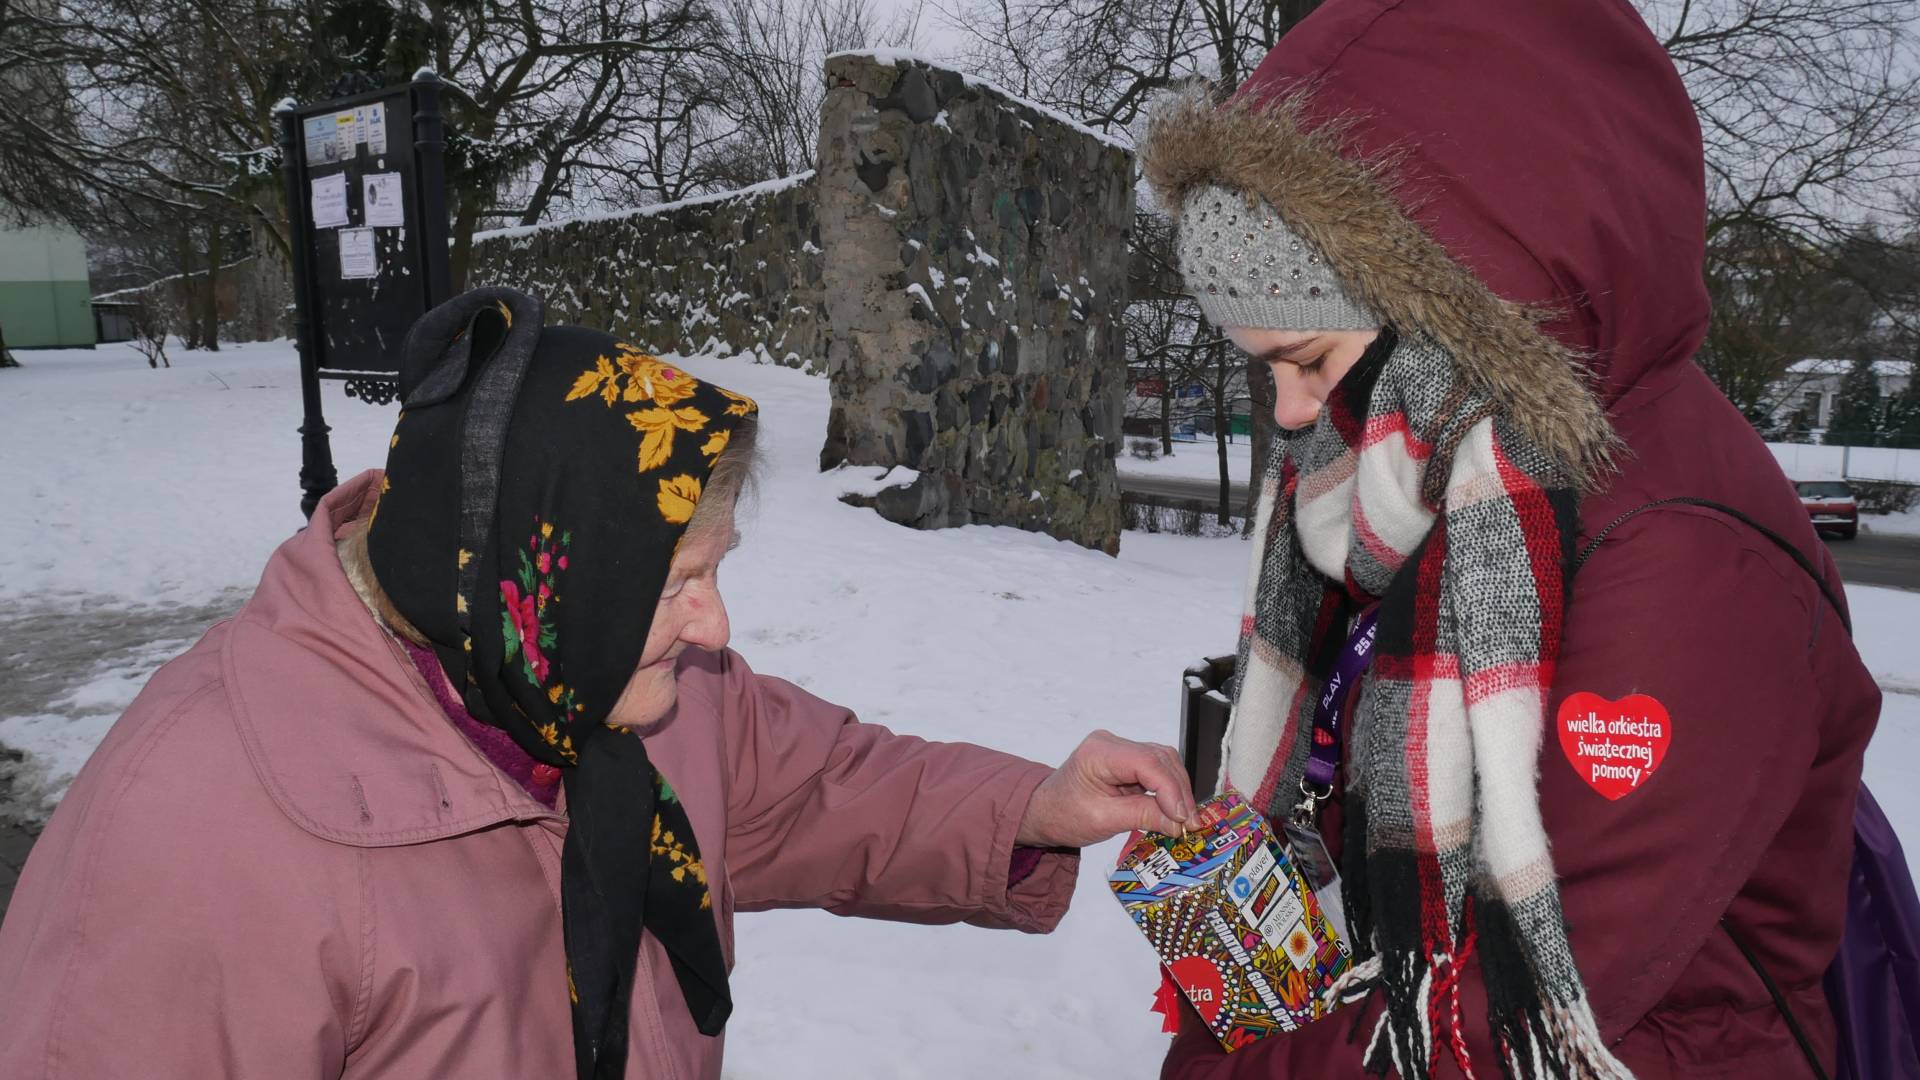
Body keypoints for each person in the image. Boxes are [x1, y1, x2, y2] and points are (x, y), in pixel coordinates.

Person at [0, 287, 1198, 1079]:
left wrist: (1037, 807)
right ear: (540, 569)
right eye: (676, 580)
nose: (714, 623)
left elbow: (832, 786)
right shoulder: (193, 830)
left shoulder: (608, 685)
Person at [1140, 1, 1879, 1077]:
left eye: (1307, 357)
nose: (1291, 414)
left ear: (1459, 305)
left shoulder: (1685, 565)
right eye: (1266, 369)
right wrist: (1233, 892)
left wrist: (1228, 1069)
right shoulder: (1435, 468)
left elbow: (1517, 1009)